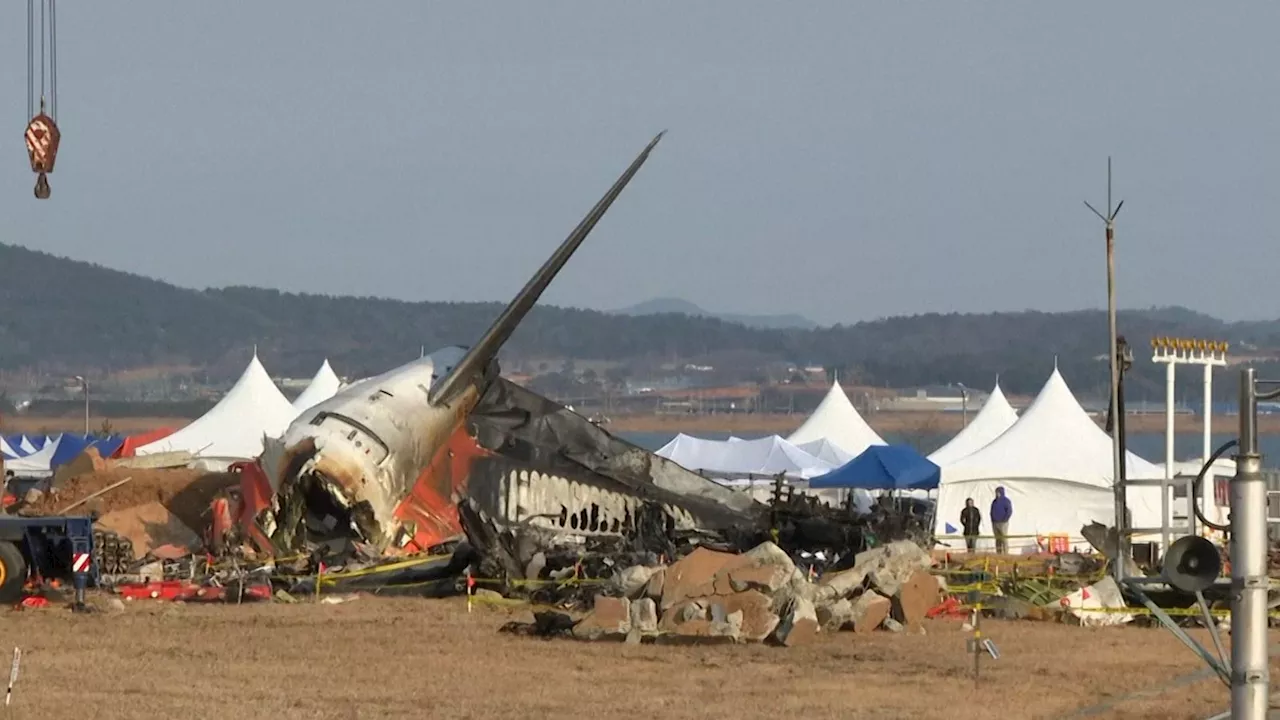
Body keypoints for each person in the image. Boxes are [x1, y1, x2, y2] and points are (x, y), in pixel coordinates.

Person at [990, 486, 1013, 554]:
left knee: (1004, 538)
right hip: (995, 523)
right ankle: (998, 553)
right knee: (997, 539)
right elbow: (991, 511)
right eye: (996, 492)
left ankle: (1006, 553)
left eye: (998, 492)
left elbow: (1009, 511)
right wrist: (992, 519)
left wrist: (1004, 519)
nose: (997, 494)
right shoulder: (994, 501)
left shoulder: (1006, 501)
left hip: (1003, 523)